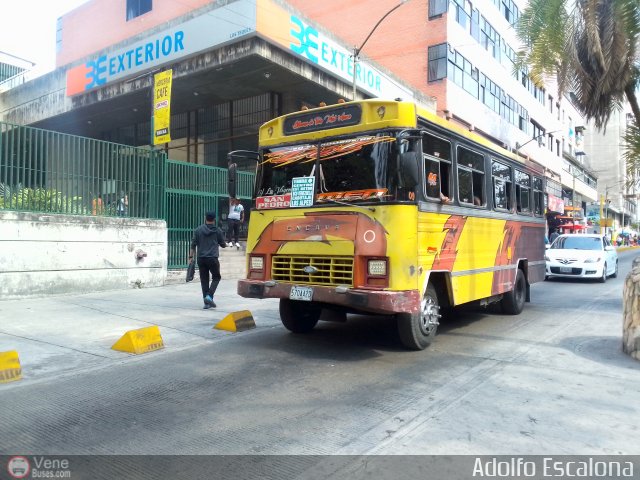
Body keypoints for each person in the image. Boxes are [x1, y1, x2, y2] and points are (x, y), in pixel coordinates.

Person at [189, 211, 227, 309]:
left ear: (205, 218)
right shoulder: (217, 231)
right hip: (212, 258)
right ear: (214, 219)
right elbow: (223, 245)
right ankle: (209, 296)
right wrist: (223, 242)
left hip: (201, 258)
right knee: (216, 277)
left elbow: (193, 245)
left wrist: (190, 257)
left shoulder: (198, 230)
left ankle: (206, 303)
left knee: (204, 280)